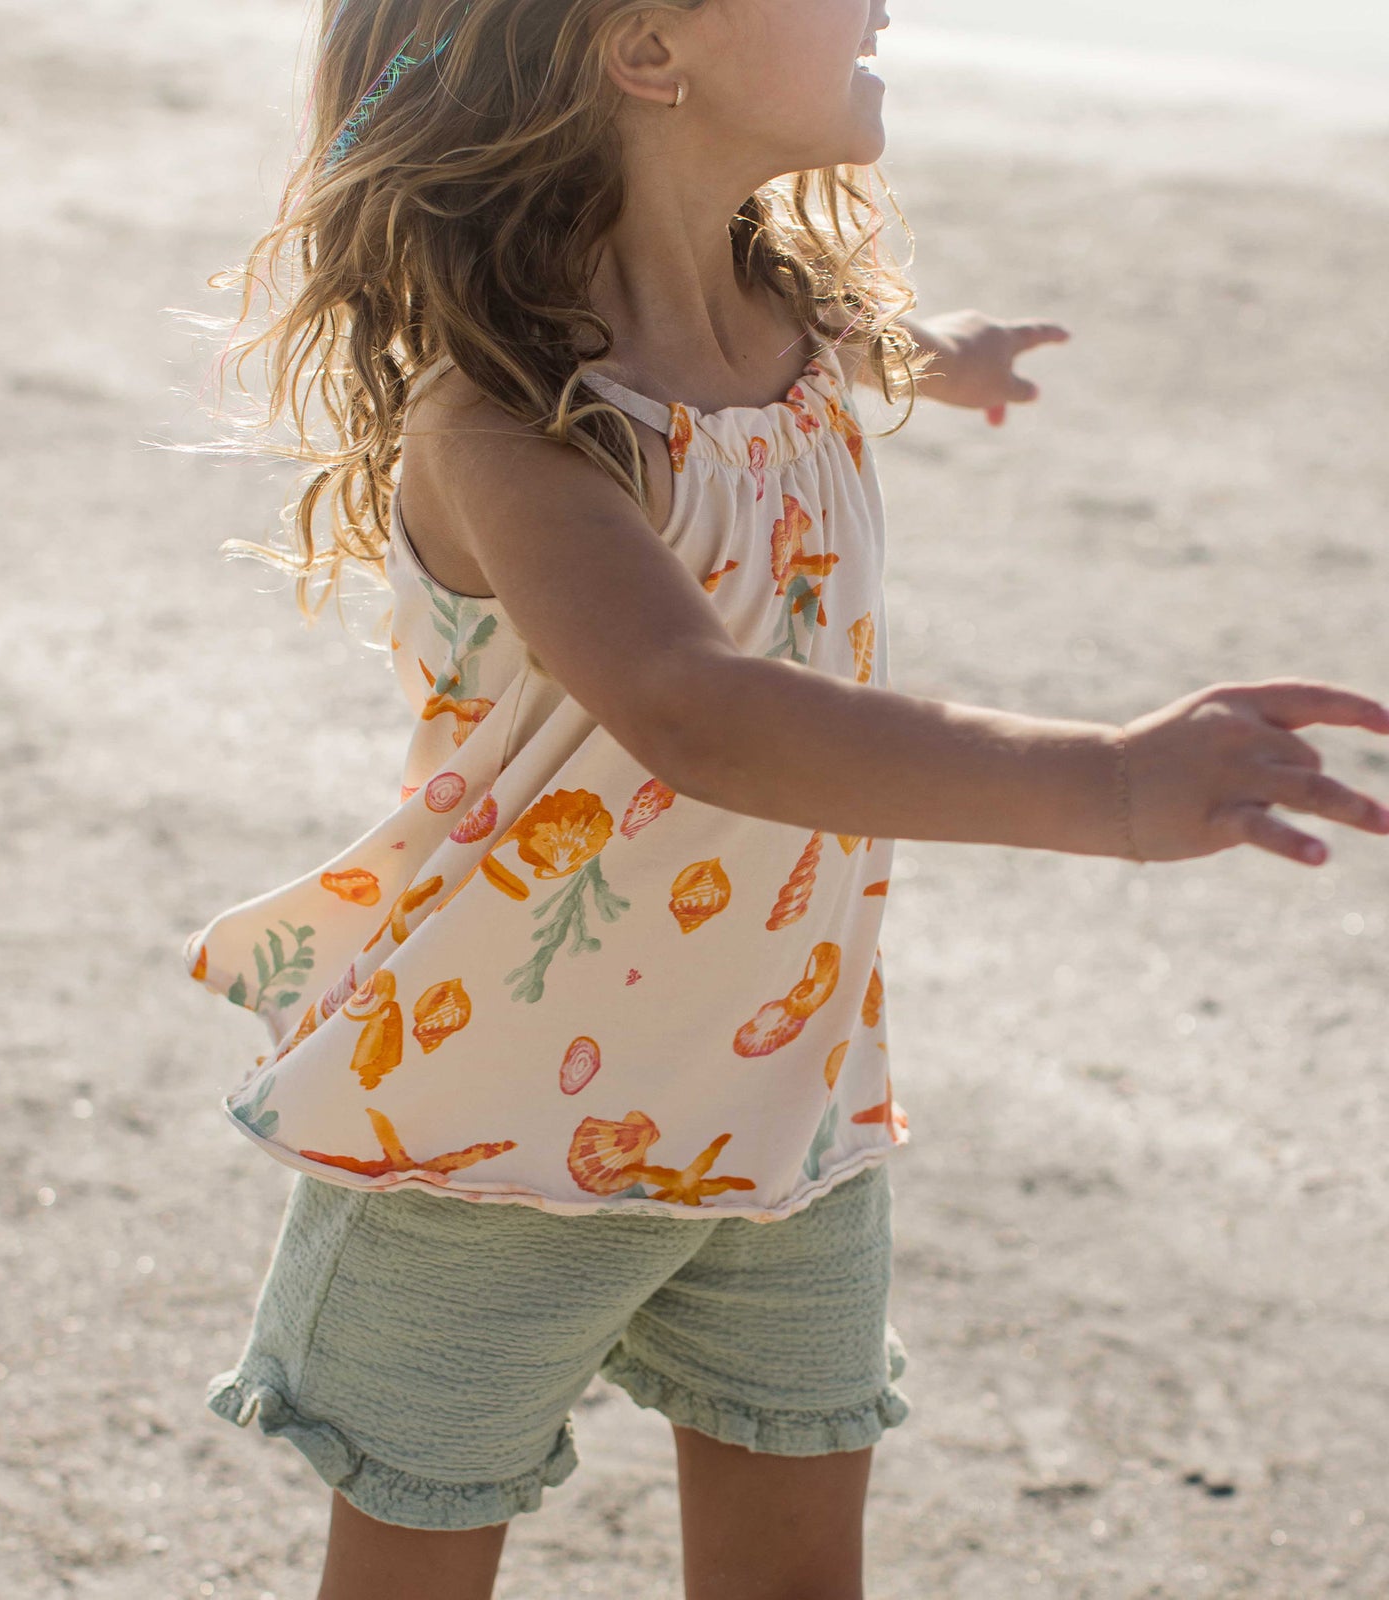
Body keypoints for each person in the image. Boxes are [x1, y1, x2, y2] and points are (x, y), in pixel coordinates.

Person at [179, 1, 1389, 1595]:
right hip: (490, 1127)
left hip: (781, 1095)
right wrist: (1106, 782)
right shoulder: (508, 424)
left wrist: (943, 359)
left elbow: (863, 347)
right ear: (646, 52)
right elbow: (705, 712)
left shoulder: (790, 311)